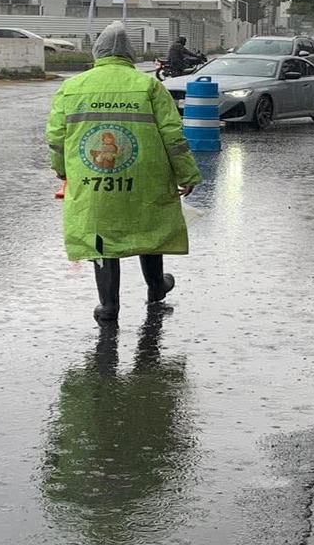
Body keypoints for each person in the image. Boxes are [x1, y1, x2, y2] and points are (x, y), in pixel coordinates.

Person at [47, 21, 202, 323]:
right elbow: (173, 136)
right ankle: (157, 288)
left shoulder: (72, 88)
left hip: (95, 180)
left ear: (97, 51)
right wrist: (187, 175)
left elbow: (56, 138)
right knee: (150, 232)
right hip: (145, 177)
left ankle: (108, 306)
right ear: (130, 53)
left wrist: (62, 171)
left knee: (100, 237)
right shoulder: (149, 86)